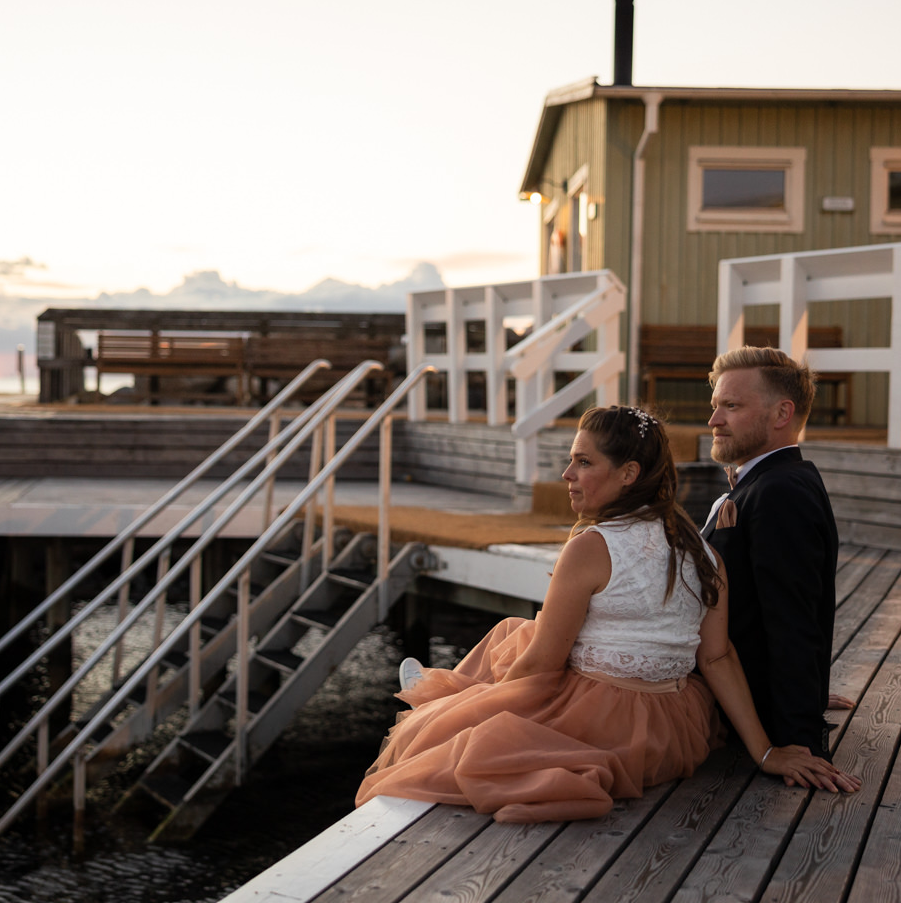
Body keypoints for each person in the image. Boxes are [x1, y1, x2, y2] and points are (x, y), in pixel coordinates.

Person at [355, 405, 858, 823]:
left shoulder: (592, 545)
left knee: (476, 698)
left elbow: (543, 668)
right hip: (674, 727)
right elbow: (719, 658)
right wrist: (765, 750)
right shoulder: (701, 551)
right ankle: (441, 687)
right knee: (515, 630)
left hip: (604, 722)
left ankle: (440, 692)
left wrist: (474, 704)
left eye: (582, 463)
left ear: (629, 475)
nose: (566, 476)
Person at [700, 347, 842, 760]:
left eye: (731, 406)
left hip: (739, 719)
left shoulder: (779, 493)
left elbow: (793, 619)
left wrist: (798, 739)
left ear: (782, 414)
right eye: (715, 406)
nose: (713, 420)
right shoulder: (775, 481)